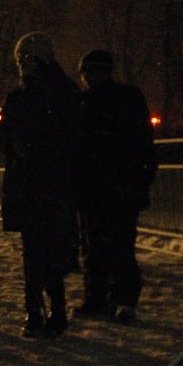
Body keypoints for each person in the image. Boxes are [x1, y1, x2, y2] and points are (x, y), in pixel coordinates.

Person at [0, 32, 81, 339]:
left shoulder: (33, 95)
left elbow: (4, 137)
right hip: (49, 183)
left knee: (39, 250)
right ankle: (47, 310)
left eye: (23, 60)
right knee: (46, 249)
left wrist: (23, 146)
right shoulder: (60, 92)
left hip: (39, 183)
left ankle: (41, 311)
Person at [72, 50, 157, 324]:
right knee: (110, 244)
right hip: (114, 184)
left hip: (107, 184)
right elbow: (143, 142)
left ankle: (108, 297)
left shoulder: (90, 103)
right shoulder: (124, 99)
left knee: (104, 244)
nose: (86, 77)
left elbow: (139, 142)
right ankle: (114, 298)